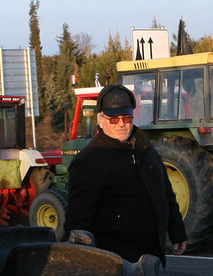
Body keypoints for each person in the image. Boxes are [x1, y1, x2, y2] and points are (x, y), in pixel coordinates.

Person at [63, 84, 188, 262]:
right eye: (114, 119)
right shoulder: (89, 160)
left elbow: (165, 192)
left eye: (126, 118)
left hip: (150, 256)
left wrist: (177, 231)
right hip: (114, 262)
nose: (121, 124)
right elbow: (77, 218)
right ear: (100, 120)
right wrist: (74, 259)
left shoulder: (145, 148)